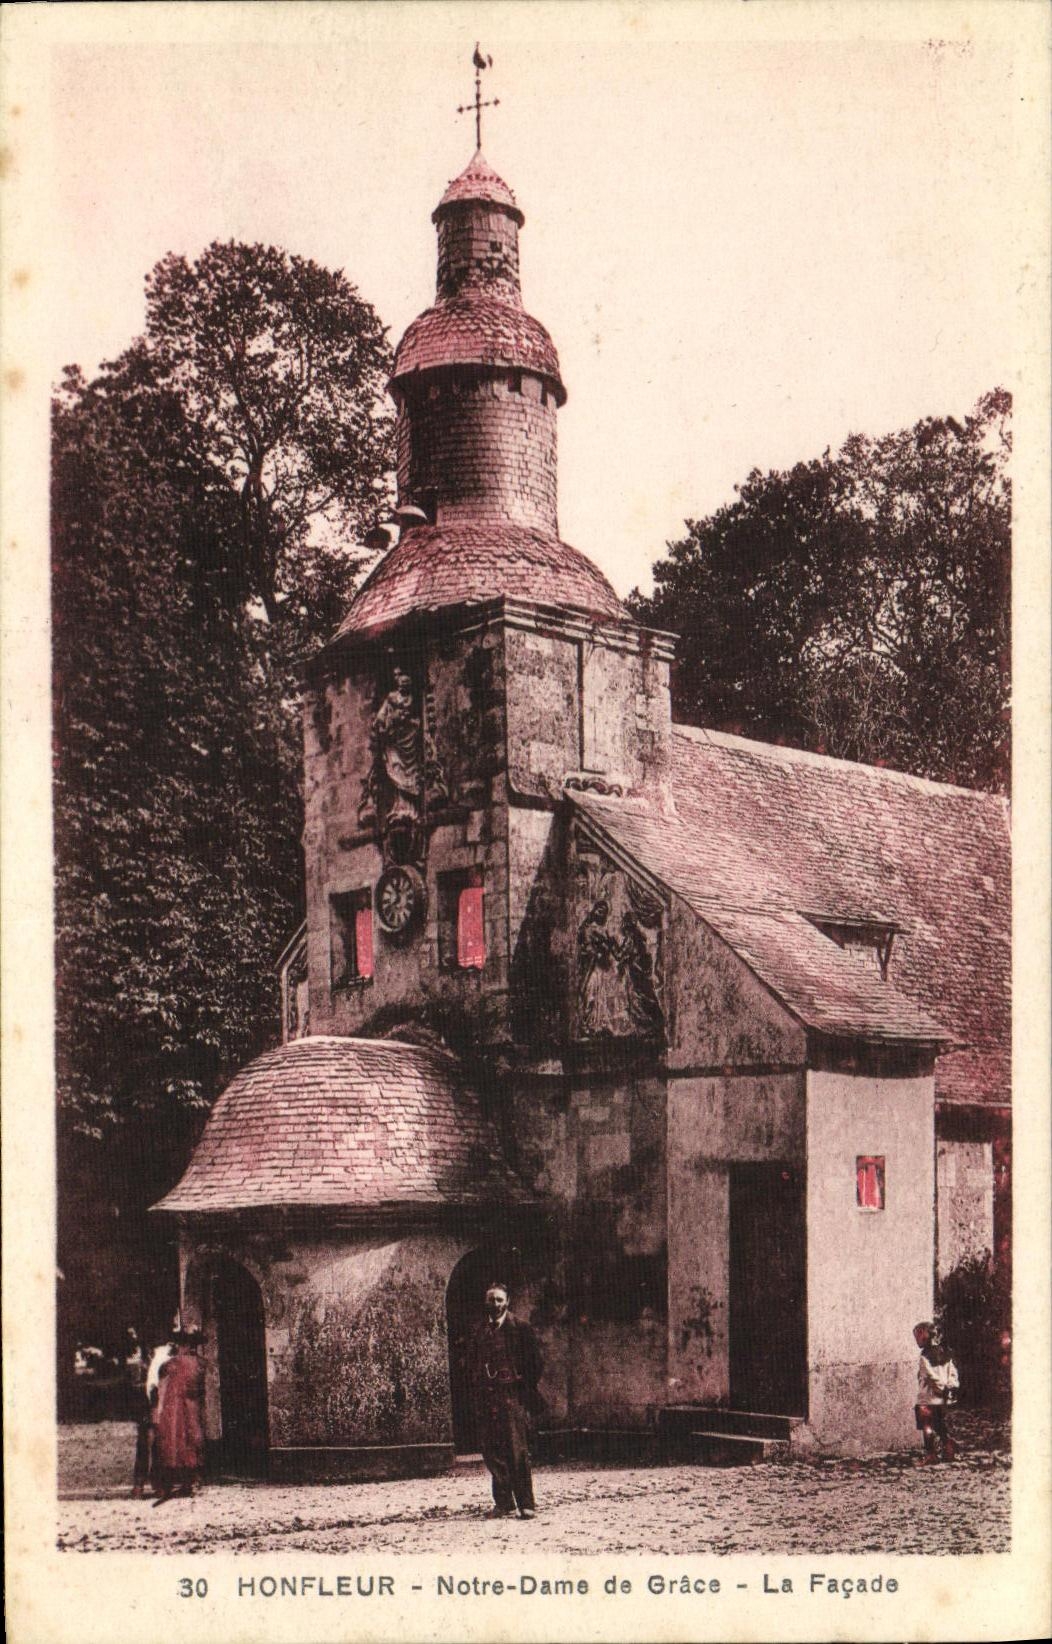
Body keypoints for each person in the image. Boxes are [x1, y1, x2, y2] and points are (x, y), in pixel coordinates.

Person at [469, 1282, 544, 1520]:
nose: (495, 1304)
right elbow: (471, 1360)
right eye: (491, 1300)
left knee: (516, 1451)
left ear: (507, 1301)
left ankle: (526, 1503)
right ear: (485, 1302)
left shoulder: (521, 1328)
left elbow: (536, 1362)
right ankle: (504, 1503)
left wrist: (522, 1384)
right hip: (487, 1397)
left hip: (512, 1396)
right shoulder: (480, 1331)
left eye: (499, 1299)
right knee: (491, 1450)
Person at [152, 1329, 205, 1506]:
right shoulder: (200, 1364)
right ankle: (191, 1482)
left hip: (175, 1408)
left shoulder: (171, 1365)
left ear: (185, 1345)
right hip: (193, 1406)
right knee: (192, 1440)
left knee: (174, 1441)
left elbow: (161, 1385)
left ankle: (169, 1483)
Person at [913, 1321, 960, 1463]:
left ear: (925, 1337)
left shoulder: (924, 1357)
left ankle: (931, 1454)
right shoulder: (946, 1353)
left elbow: (930, 1377)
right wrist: (950, 1387)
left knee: (927, 1427)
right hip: (942, 1398)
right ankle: (948, 1448)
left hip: (927, 1398)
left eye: (918, 1336)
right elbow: (953, 1373)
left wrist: (940, 1389)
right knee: (940, 1425)